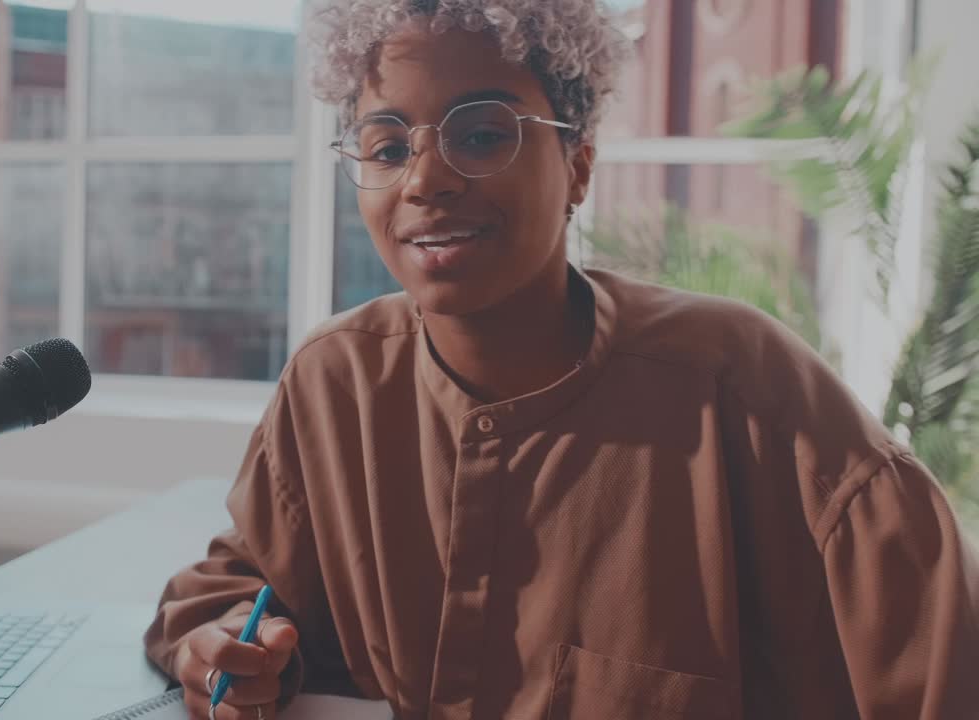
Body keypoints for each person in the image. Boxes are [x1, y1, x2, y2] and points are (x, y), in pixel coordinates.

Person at [143, 1, 979, 718]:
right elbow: (227, 592)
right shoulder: (335, 382)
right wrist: (225, 652)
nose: (424, 180)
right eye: (388, 147)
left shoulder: (750, 393)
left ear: (578, 164)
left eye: (480, 134)